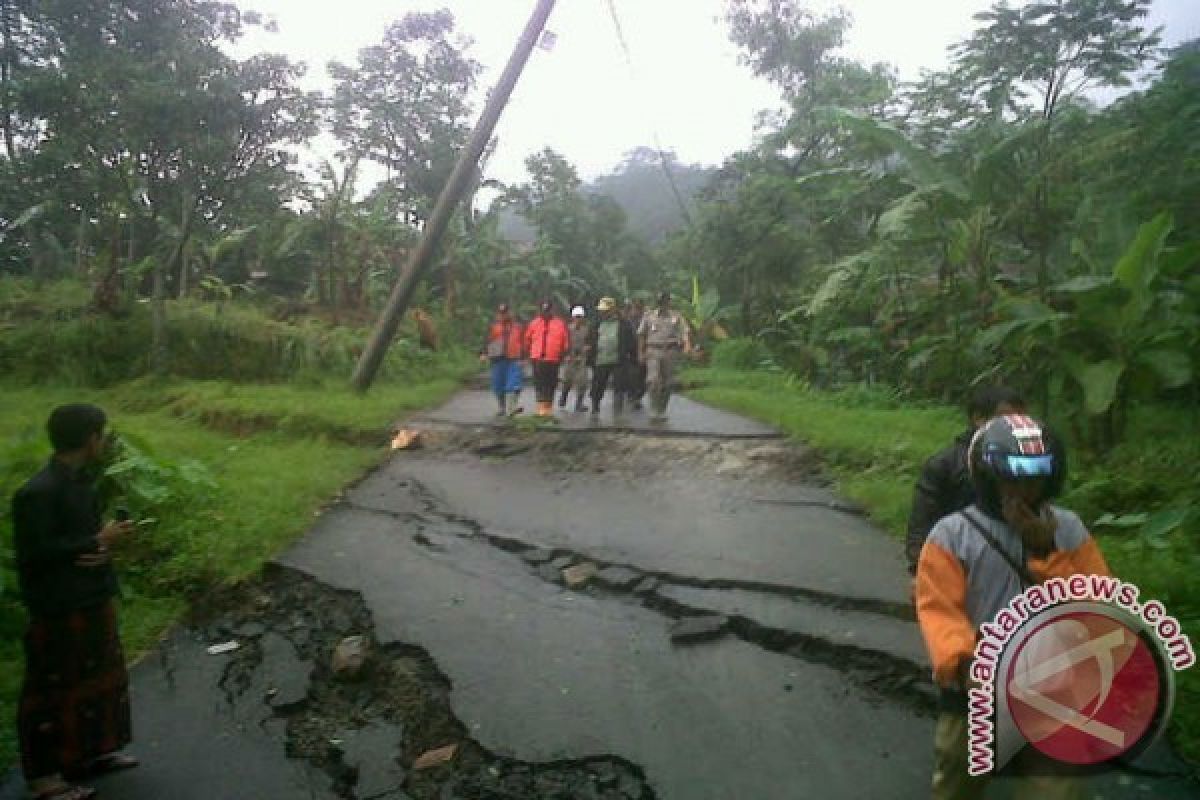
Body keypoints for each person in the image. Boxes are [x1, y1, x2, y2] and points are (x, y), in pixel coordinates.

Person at [916, 413, 1109, 800]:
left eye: (1035, 478)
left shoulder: (1068, 531)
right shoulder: (952, 535)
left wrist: (1045, 551)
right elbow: (940, 609)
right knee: (957, 782)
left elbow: (1096, 610)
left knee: (1056, 791)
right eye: (1011, 477)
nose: (1023, 489)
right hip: (976, 690)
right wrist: (964, 662)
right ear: (987, 478)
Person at [12, 404, 139, 800]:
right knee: (54, 688)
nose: (104, 440)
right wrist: (97, 541)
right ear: (89, 439)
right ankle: (44, 778)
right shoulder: (37, 491)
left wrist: (101, 545)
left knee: (99, 678)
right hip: (59, 606)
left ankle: (90, 752)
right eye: (101, 434)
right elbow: (34, 554)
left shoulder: (79, 482)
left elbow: (81, 543)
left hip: (90, 597)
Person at [905, 385, 1026, 576]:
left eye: (1020, 420)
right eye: (1005, 420)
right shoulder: (945, 464)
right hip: (952, 563)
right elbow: (922, 521)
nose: (1014, 427)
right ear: (979, 418)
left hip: (1006, 567)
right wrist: (919, 571)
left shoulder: (1023, 463)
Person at [637, 291, 691, 421]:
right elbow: (641, 335)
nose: (663, 304)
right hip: (653, 350)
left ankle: (662, 409)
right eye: (661, 301)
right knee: (653, 380)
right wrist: (640, 352)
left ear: (669, 302)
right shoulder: (649, 316)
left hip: (671, 351)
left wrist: (687, 345)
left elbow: (684, 332)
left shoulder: (677, 317)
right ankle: (654, 408)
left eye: (665, 301)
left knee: (668, 382)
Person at [586, 296, 637, 417]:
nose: (603, 313)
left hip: (619, 359)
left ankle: (618, 411)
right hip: (600, 359)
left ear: (613, 310)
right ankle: (595, 406)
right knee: (598, 384)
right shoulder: (596, 324)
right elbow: (590, 340)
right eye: (602, 311)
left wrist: (633, 357)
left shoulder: (624, 324)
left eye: (606, 310)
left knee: (619, 385)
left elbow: (631, 341)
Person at [524, 300, 570, 417]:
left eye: (548, 310)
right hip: (537, 358)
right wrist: (528, 354)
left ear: (552, 310)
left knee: (551, 384)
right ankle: (540, 409)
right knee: (539, 383)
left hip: (553, 359)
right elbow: (527, 339)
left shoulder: (559, 324)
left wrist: (564, 354)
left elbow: (565, 341)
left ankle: (548, 408)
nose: (546, 313)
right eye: (544, 310)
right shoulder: (534, 323)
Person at [480, 303, 525, 417]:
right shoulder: (493, 327)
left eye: (506, 313)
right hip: (497, 360)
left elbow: (524, 342)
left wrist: (524, 358)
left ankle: (511, 408)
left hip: (514, 359)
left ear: (510, 313)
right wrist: (483, 354)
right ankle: (502, 408)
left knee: (513, 384)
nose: (504, 316)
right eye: (501, 313)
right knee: (498, 386)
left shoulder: (518, 327)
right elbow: (487, 341)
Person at [559, 306, 590, 412]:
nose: (578, 319)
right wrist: (565, 355)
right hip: (570, 357)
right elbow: (562, 343)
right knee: (567, 380)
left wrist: (587, 348)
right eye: (576, 317)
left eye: (580, 317)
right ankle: (563, 398)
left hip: (582, 358)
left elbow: (590, 342)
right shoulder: (567, 329)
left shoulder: (586, 330)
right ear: (573, 317)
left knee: (582, 382)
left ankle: (579, 404)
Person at [624, 299, 647, 411]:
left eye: (639, 309)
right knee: (632, 375)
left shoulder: (646, 320)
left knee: (643, 375)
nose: (637, 311)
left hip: (644, 351)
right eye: (635, 308)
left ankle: (638, 395)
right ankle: (633, 396)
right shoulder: (627, 322)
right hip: (631, 352)